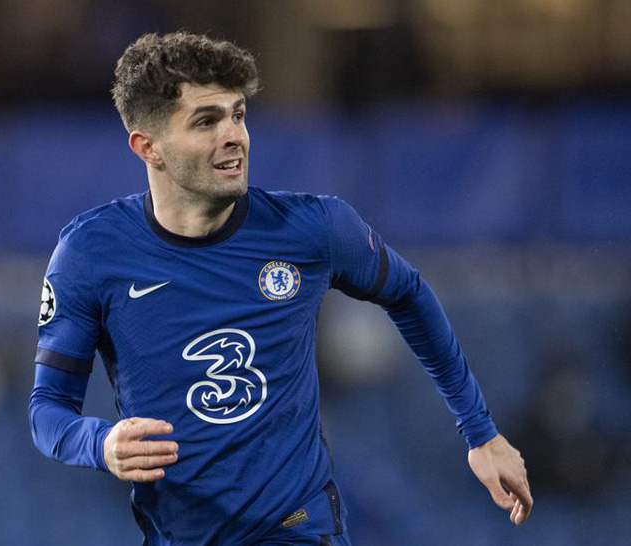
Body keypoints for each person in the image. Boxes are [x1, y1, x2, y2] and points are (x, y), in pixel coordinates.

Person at [29, 31, 532, 546]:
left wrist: (481, 433)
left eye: (238, 115)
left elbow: (408, 294)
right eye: (207, 121)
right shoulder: (91, 254)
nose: (234, 136)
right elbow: (47, 411)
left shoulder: (313, 228)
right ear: (147, 147)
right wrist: (100, 443)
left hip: (296, 530)